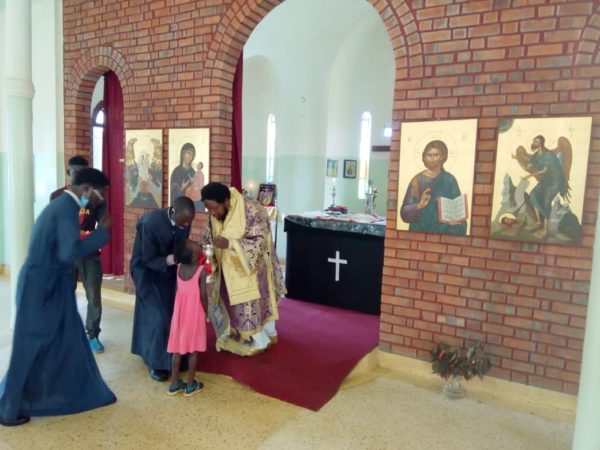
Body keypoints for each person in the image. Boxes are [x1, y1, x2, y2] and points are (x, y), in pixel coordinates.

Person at [0, 168, 115, 427]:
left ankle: (60, 392)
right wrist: (102, 234)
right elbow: (67, 253)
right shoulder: (65, 209)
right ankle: (8, 409)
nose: (101, 200)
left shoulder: (64, 206)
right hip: (42, 289)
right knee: (29, 347)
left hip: (51, 286)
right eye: (101, 194)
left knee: (66, 341)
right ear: (86, 189)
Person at [200, 182, 286, 357]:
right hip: (226, 267)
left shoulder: (252, 208)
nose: (212, 213)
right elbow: (211, 232)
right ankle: (252, 333)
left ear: (225, 201)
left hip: (250, 269)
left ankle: (261, 339)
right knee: (229, 301)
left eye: (214, 208)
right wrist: (208, 244)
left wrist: (230, 243)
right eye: (209, 210)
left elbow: (260, 240)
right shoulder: (216, 212)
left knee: (251, 304)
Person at [130, 196, 195, 381]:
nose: (186, 225)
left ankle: (173, 357)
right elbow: (147, 259)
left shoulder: (185, 220)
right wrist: (173, 259)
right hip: (146, 272)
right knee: (157, 317)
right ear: (173, 212)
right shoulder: (149, 223)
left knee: (171, 314)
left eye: (189, 221)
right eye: (183, 221)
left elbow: (181, 244)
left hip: (168, 271)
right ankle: (156, 363)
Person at [50, 156, 107, 353]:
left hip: (89, 253)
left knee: (94, 297)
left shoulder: (95, 198)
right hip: (65, 255)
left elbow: (103, 226)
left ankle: (92, 335)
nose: (79, 177)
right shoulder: (57, 196)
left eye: (83, 173)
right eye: (75, 173)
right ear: (68, 173)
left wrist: (86, 235)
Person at [166, 239, 208, 397]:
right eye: (193, 243)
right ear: (193, 255)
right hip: (194, 315)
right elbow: (203, 296)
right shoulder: (201, 271)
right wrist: (207, 311)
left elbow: (178, 290)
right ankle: (190, 385)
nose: (196, 242)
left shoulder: (179, 268)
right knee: (193, 352)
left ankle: (174, 384)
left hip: (179, 315)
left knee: (176, 350)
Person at [400, 140, 467, 235]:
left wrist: (456, 220)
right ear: (424, 157)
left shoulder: (449, 180)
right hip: (419, 231)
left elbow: (458, 209)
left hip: (443, 232)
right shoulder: (416, 180)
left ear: (442, 157)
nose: (432, 158)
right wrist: (419, 205)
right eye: (429, 155)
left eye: (436, 155)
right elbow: (404, 212)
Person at [518, 135, 570, 239]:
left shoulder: (549, 155)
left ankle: (545, 229)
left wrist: (529, 175)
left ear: (541, 143)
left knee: (546, 201)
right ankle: (538, 222)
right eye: (534, 141)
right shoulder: (536, 155)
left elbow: (544, 170)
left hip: (555, 181)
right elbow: (530, 163)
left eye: (537, 142)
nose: (534, 143)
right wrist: (520, 159)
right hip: (546, 180)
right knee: (533, 195)